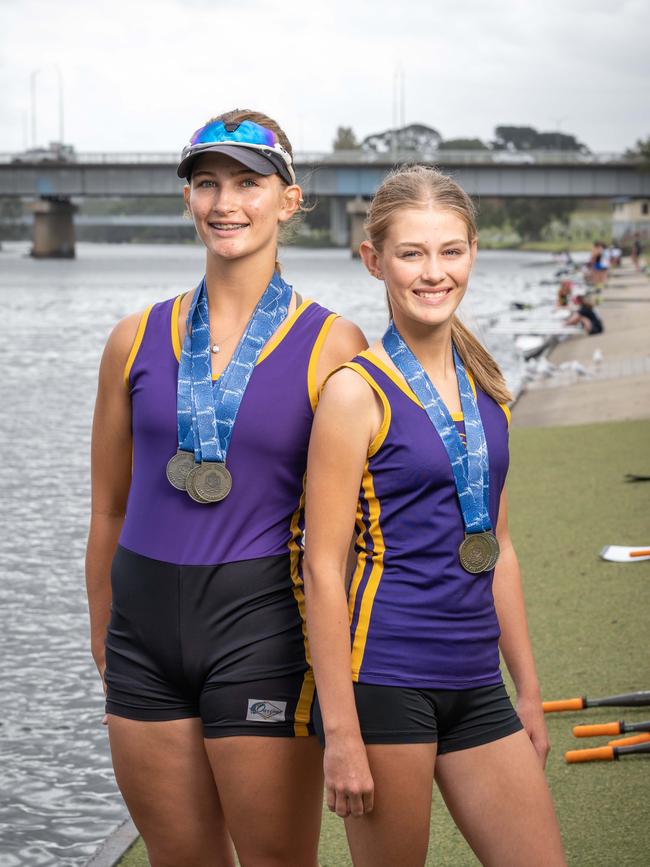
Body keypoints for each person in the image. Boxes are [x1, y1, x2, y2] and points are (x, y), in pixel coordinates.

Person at [85, 108, 366, 866]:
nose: (225, 202)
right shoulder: (133, 338)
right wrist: (102, 626)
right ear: (187, 200)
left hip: (262, 630)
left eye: (248, 181)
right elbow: (109, 504)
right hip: (141, 634)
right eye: (206, 183)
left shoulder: (334, 344)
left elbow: (348, 532)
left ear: (289, 199)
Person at [303, 165, 566, 867]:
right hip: (386, 678)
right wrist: (342, 732)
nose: (433, 272)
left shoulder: (489, 388)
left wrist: (529, 693)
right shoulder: (354, 393)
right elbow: (322, 567)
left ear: (472, 252)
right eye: (412, 253)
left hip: (477, 677)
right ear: (375, 260)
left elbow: (499, 547)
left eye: (450, 250)